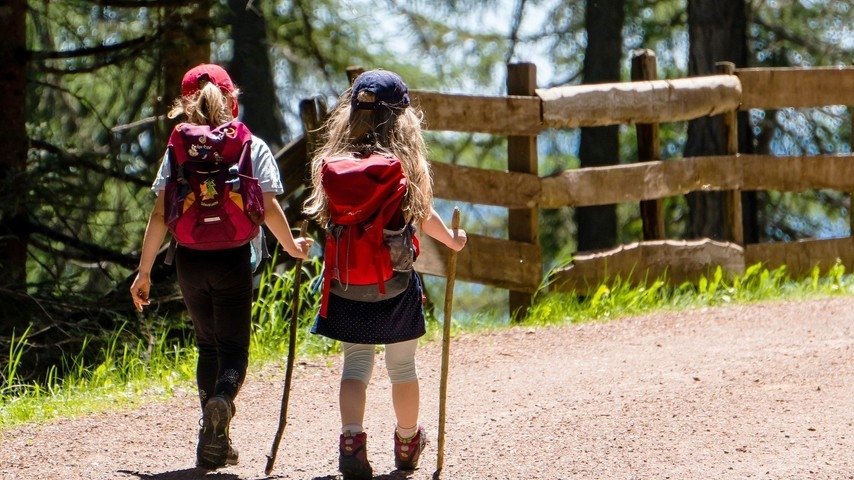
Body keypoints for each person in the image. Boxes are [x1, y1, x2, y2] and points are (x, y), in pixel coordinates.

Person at [129, 63, 312, 470]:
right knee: (234, 351)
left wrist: (143, 272)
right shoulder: (250, 145)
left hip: (189, 259)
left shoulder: (176, 151)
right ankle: (222, 402)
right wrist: (293, 247)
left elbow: (160, 214)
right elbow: (266, 208)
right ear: (232, 100)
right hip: (234, 258)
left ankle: (212, 438)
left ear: (185, 104)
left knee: (206, 345)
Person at [303, 69, 467, 479]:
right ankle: (408, 441)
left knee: (355, 367)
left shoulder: (331, 163)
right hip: (393, 286)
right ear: (402, 118)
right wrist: (452, 240)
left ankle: (351, 440)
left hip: (343, 286)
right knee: (403, 368)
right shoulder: (402, 165)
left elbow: (324, 218)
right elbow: (422, 215)